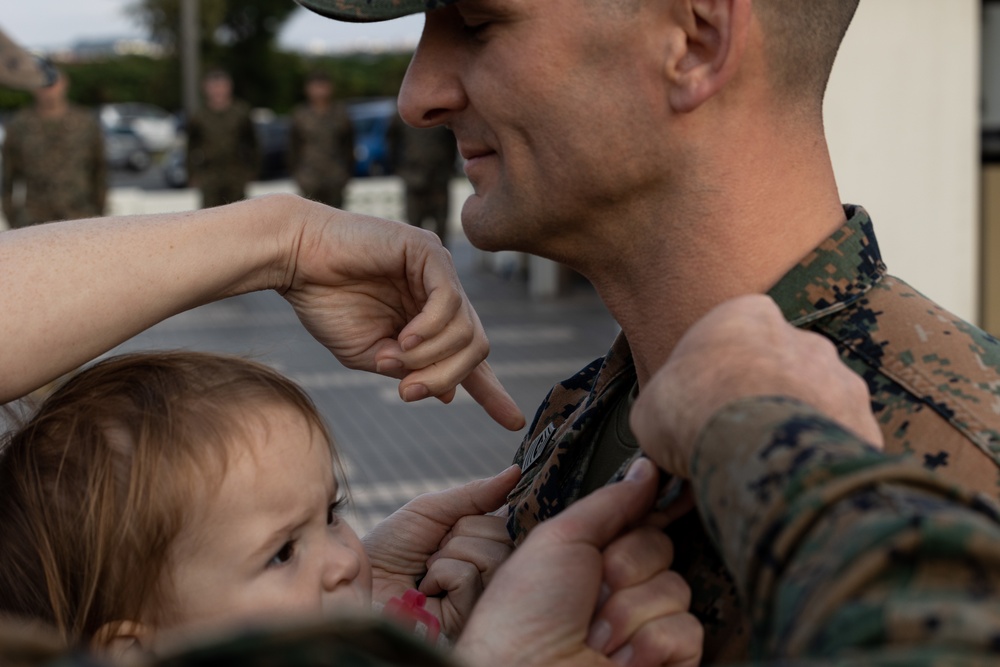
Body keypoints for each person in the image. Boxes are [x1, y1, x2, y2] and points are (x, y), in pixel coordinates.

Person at [293, 0, 1000, 662]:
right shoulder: (595, 404)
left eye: (478, 24)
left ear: (696, 41)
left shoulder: (968, 455)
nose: (419, 97)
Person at [1, 68, 106, 228]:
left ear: (64, 83)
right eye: (41, 83)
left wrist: (98, 214)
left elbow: (99, 171)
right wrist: (14, 221)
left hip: (80, 217)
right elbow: (8, 178)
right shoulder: (19, 125)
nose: (48, 90)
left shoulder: (85, 123)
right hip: (34, 221)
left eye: (52, 82)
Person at [185, 69, 259, 209]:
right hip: (209, 175)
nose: (218, 90)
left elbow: (252, 143)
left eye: (221, 86)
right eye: (213, 86)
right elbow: (191, 146)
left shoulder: (240, 112)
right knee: (210, 218)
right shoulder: (199, 116)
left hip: (236, 173)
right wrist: (192, 173)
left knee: (239, 215)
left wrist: (252, 170)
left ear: (229, 87)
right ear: (205, 89)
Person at [387, 114, 458, 247]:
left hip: (439, 180)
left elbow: (452, 140)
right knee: (414, 232)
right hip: (414, 180)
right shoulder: (403, 113)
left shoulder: (442, 112)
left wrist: (449, 168)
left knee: (441, 230)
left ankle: (440, 265)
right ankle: (416, 266)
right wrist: (400, 169)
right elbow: (391, 141)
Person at [288, 71, 355, 208]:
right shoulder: (300, 115)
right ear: (307, 89)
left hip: (335, 176)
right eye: (315, 86)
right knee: (311, 220)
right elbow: (293, 147)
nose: (319, 91)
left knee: (337, 221)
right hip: (309, 178)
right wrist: (298, 175)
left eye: (322, 86)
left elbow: (348, 145)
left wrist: (346, 173)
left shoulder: (340, 113)